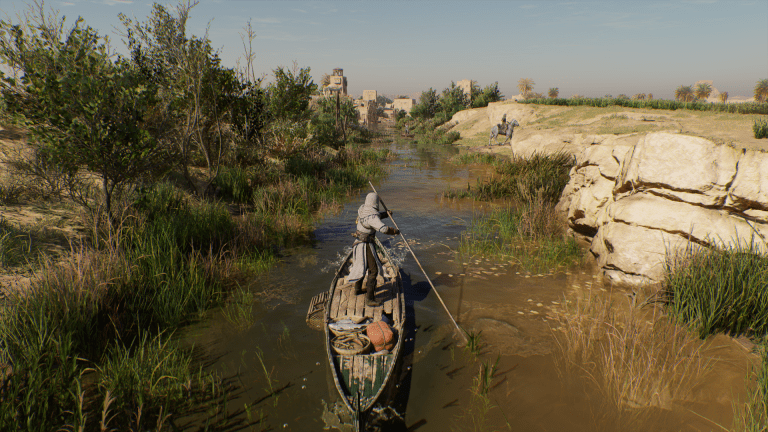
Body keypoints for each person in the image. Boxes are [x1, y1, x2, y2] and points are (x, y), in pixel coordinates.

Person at [348, 193, 400, 306]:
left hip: (358, 242)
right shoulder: (372, 217)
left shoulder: (362, 209)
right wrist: (395, 231)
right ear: (375, 202)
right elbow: (384, 229)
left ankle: (357, 290)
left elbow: (373, 216)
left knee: (361, 266)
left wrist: (385, 214)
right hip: (365, 244)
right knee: (373, 270)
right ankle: (370, 299)